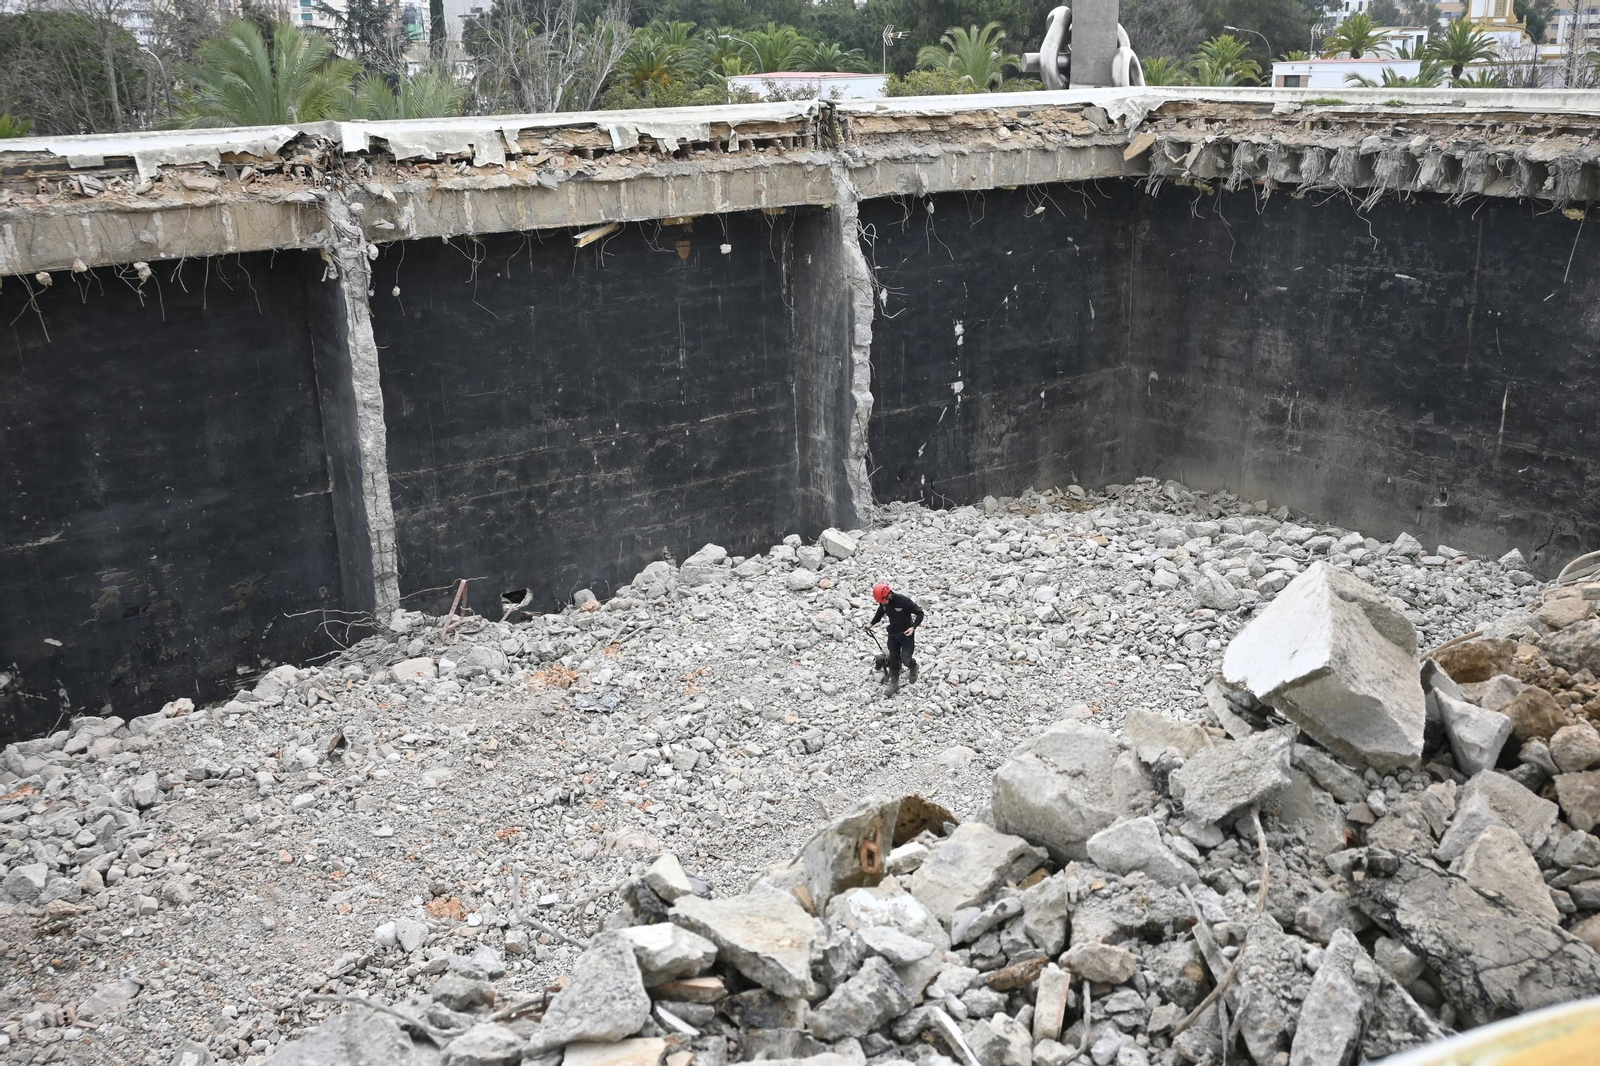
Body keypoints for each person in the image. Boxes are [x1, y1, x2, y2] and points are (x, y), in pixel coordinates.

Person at [867, 582, 923, 696]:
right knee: (893, 658)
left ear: (889, 595)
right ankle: (894, 683)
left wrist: (913, 627)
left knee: (906, 659)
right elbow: (879, 613)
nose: (882, 604)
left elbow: (920, 613)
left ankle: (913, 666)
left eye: (883, 601)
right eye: (880, 602)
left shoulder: (903, 601)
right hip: (893, 635)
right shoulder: (883, 603)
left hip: (906, 635)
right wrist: (871, 624)